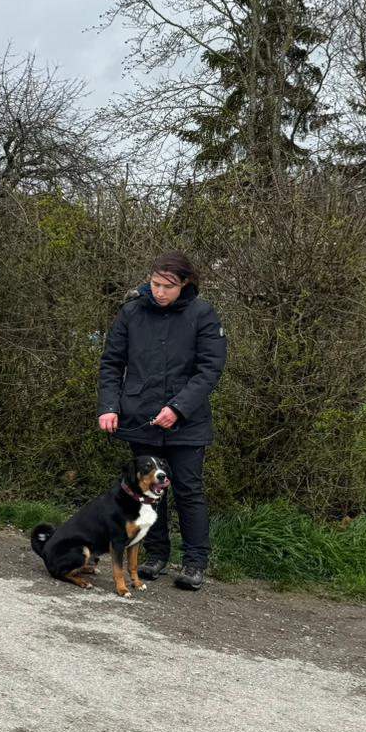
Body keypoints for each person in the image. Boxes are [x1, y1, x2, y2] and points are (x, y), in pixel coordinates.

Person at [96, 251, 227, 591]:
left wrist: (179, 407)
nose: (160, 291)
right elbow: (112, 363)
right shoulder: (131, 312)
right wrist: (109, 406)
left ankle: (195, 563)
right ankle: (156, 556)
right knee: (149, 494)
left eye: (168, 286)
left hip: (188, 423)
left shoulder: (203, 315)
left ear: (184, 284)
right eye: (155, 284)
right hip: (141, 418)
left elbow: (209, 369)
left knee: (188, 491)